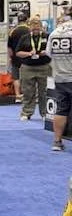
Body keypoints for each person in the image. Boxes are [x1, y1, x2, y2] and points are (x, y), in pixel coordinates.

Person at [16, 16, 51, 121]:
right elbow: (18, 53)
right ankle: (26, 112)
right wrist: (28, 53)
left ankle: (45, 113)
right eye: (33, 25)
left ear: (41, 26)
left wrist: (46, 52)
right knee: (28, 92)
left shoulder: (48, 36)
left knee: (44, 92)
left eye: (37, 25)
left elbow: (53, 51)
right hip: (28, 68)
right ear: (29, 26)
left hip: (44, 67)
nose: (35, 27)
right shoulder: (24, 38)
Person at [47, 10, 72, 152]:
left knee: (61, 109)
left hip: (59, 77)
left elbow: (48, 54)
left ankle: (57, 141)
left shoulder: (54, 33)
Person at [7, 11, 30, 102]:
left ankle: (17, 96)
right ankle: (26, 95)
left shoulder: (12, 31)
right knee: (27, 77)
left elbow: (9, 47)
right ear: (26, 20)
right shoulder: (29, 30)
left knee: (16, 77)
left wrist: (10, 57)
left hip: (16, 57)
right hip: (27, 56)